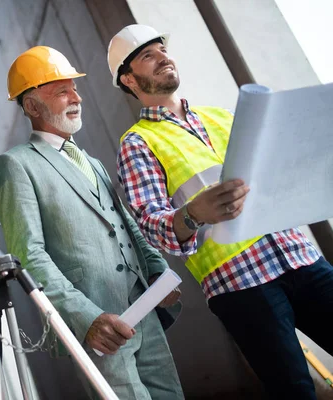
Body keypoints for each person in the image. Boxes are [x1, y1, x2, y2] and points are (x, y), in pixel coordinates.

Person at [107, 24, 333, 400]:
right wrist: (194, 213)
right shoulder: (138, 143)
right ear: (129, 79)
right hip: (241, 285)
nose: (164, 56)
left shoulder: (223, 116)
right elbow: (153, 227)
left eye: (163, 49)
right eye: (149, 55)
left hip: (299, 256)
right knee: (294, 390)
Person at [0, 45, 184, 400]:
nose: (75, 97)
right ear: (33, 106)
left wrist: (157, 271)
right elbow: (29, 256)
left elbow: (127, 225)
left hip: (143, 306)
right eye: (61, 90)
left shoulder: (91, 161)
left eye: (74, 88)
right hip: (98, 325)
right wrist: (86, 318)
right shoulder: (16, 164)